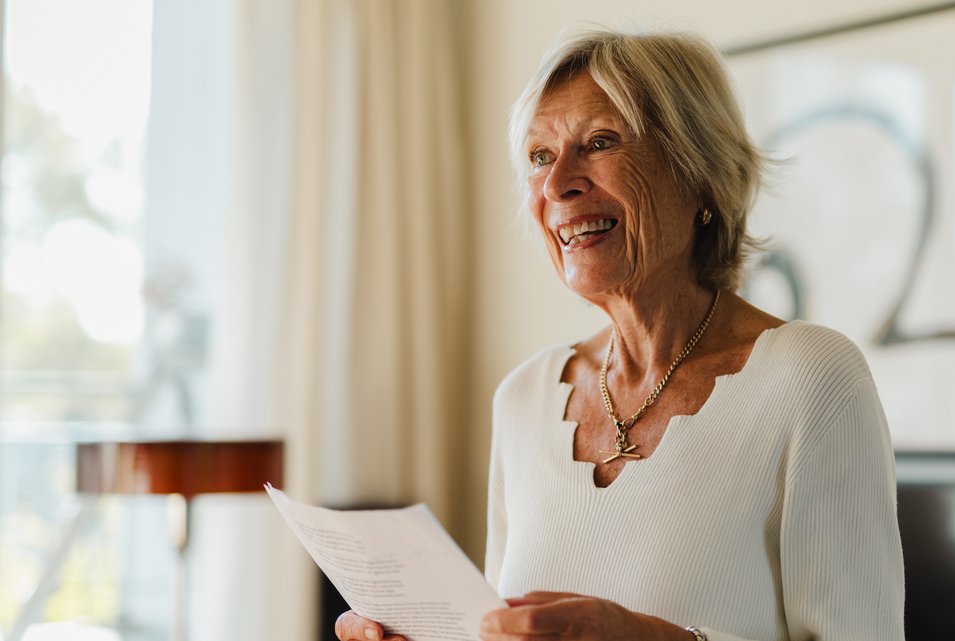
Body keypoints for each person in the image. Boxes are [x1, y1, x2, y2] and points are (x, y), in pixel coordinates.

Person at [336, 28, 904, 641]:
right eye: (538, 157)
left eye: (600, 142)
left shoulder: (811, 376)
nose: (557, 186)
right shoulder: (524, 397)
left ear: (700, 173)